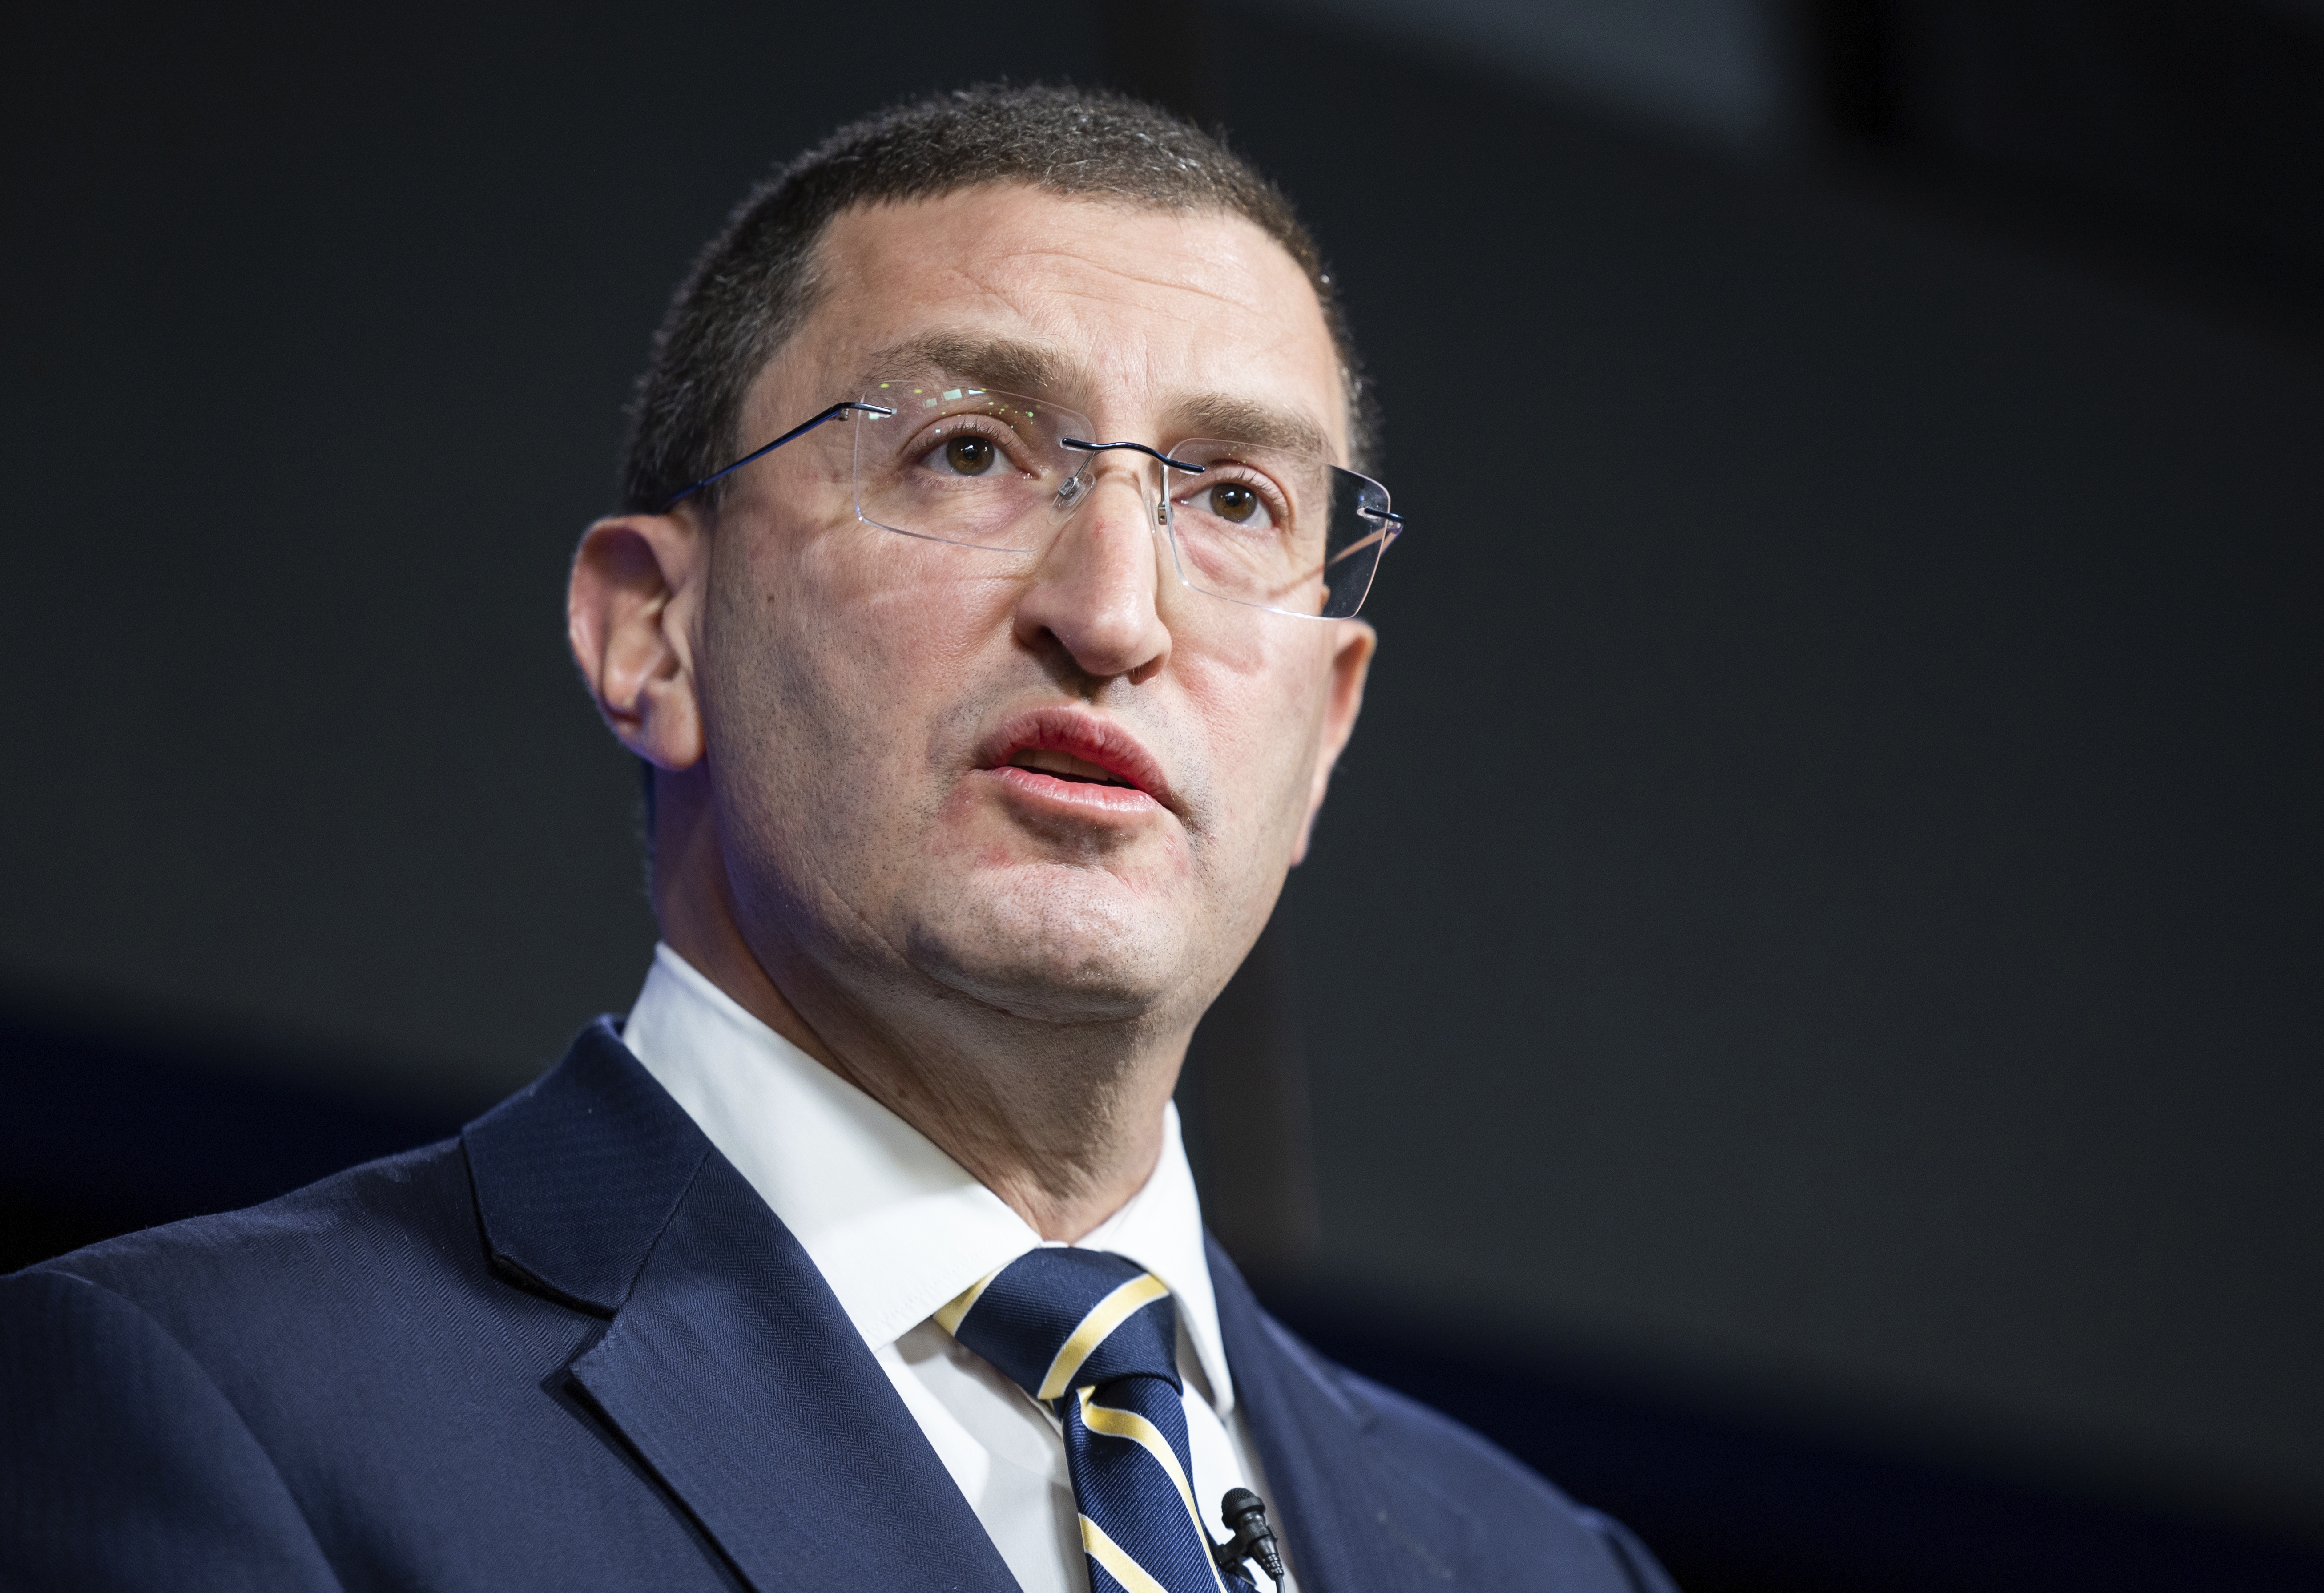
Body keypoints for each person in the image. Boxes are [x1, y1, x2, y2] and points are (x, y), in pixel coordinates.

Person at [0, 87, 1674, 1593]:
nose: (1112, 613)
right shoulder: (225, 1401)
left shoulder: (1545, 1566)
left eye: (1233, 499)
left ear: (1322, 732)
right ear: (653, 633)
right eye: (966, 454)